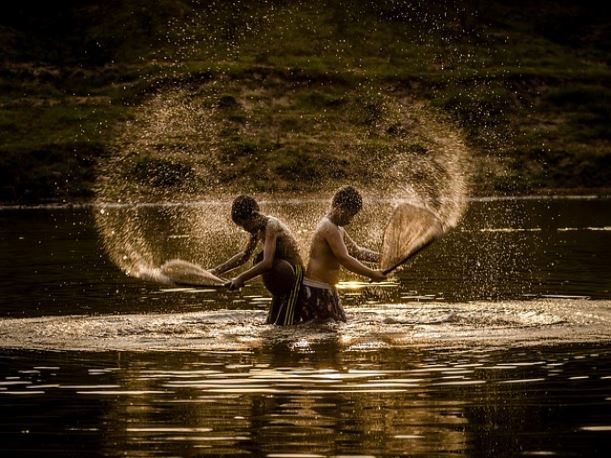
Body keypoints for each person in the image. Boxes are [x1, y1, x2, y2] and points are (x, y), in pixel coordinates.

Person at [211, 195, 304, 325]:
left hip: (294, 275)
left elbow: (267, 263)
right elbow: (244, 256)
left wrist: (240, 278)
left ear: (254, 215)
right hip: (280, 277)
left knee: (284, 325)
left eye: (245, 225)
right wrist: (217, 270)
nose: (245, 229)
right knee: (271, 323)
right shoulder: (257, 229)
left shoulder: (271, 226)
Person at [300, 185, 386, 322]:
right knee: (327, 332)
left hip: (328, 289)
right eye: (350, 214)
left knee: (337, 328)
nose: (350, 220)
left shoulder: (337, 228)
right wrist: (372, 273)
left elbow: (357, 251)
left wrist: (383, 258)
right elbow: (345, 258)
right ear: (340, 208)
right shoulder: (328, 228)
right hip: (316, 289)